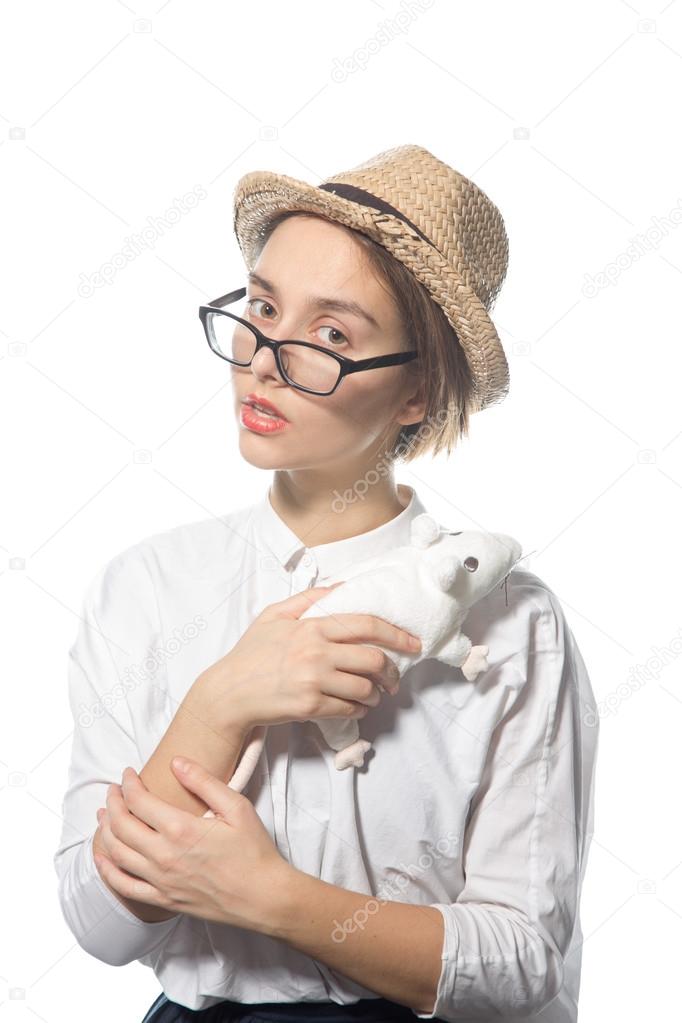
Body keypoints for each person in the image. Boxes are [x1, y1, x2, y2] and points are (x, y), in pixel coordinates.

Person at [53, 144, 599, 1023]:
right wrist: (223, 698)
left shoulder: (508, 619)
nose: (266, 357)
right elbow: (99, 923)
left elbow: (523, 959)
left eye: (331, 334)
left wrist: (275, 898)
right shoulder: (145, 586)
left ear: (416, 391)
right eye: (263, 307)